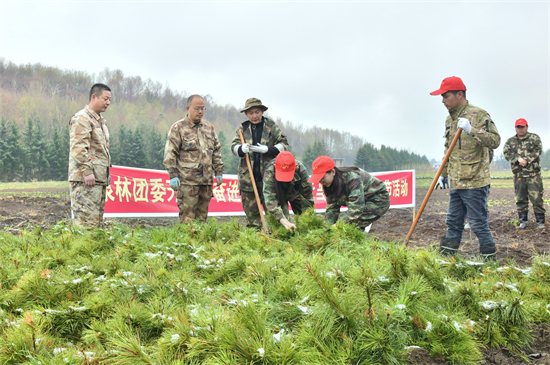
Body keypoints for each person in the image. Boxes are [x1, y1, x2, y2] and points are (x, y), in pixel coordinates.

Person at [430, 76, 501, 259]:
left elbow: (495, 141)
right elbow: (449, 149)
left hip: (475, 181)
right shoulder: (449, 119)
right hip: (456, 181)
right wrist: (443, 174)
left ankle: (489, 261)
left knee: (478, 223)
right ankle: (447, 259)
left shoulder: (478, 115)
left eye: (446, 96)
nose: (443, 101)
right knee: (453, 222)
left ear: (459, 94)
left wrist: (472, 130)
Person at [163, 94, 224, 223]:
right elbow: (170, 153)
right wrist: (173, 175)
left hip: (206, 183)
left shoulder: (209, 128)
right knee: (187, 220)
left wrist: (218, 171)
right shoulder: (178, 128)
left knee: (202, 220)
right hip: (187, 183)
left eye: (203, 108)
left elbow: (216, 151)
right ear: (188, 108)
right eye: (197, 108)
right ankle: (187, 243)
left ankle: (200, 243)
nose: (200, 112)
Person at [231, 98, 289, 229]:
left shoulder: (271, 126)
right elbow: (233, 146)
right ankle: (256, 240)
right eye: (250, 113)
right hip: (248, 179)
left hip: (269, 179)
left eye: (257, 112)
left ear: (262, 111)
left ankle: (276, 238)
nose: (254, 115)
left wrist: (269, 149)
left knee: (274, 215)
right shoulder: (243, 128)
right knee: (252, 218)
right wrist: (240, 149)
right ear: (246, 114)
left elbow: (284, 144)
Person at [68, 83, 112, 227]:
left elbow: (100, 151)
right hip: (85, 180)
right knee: (86, 225)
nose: (108, 103)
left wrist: (106, 175)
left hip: (98, 180)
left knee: (96, 225)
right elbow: (79, 148)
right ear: (94, 97)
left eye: (109, 100)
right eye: (105, 99)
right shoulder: (82, 119)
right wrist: (87, 171)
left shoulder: (100, 122)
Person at [308, 156, 390, 230]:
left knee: (352, 225)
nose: (321, 182)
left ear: (333, 172)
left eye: (322, 178)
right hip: (362, 202)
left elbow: (355, 210)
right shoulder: (328, 185)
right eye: (319, 180)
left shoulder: (352, 178)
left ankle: (356, 244)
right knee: (349, 224)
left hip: (378, 200)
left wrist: (337, 225)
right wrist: (325, 228)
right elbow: (332, 208)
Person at [503, 118, 545, 230]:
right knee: (521, 199)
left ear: (527, 127)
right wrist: (517, 159)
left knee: (537, 199)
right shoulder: (510, 141)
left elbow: (538, 150)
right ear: (515, 128)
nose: (520, 129)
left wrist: (526, 159)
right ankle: (523, 222)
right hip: (519, 175)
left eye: (522, 127)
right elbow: (506, 153)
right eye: (518, 127)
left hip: (533, 175)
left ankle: (540, 223)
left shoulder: (534, 138)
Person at [263, 151, 314, 230]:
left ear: (295, 167)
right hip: (278, 192)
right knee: (281, 226)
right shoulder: (270, 171)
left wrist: (306, 216)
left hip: (295, 191)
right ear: (275, 166)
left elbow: (307, 196)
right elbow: (270, 197)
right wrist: (282, 220)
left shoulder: (301, 170)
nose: (285, 179)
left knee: (306, 221)